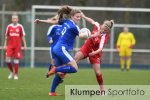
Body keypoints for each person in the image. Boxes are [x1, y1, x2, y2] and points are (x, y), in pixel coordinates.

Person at [74, 13, 114, 94]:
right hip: (86, 48)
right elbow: (92, 21)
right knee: (73, 61)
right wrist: (83, 16)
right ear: (102, 24)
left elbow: (100, 48)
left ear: (108, 29)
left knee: (98, 73)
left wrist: (93, 53)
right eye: (105, 25)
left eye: (107, 27)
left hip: (95, 53)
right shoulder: (98, 25)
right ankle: (61, 74)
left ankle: (102, 90)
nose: (105, 27)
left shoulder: (105, 36)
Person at [47, 8, 82, 96]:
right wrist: (92, 35)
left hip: (56, 49)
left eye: (80, 17)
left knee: (61, 73)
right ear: (72, 16)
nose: (79, 18)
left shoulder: (66, 21)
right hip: (61, 49)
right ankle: (54, 69)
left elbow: (53, 21)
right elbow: (82, 36)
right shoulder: (74, 27)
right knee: (74, 68)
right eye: (77, 17)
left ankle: (52, 92)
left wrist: (41, 21)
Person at [3, 14, 27, 80]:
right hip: (10, 45)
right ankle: (12, 72)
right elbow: (6, 37)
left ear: (18, 19)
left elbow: (22, 36)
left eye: (16, 18)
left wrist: (25, 45)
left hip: (17, 46)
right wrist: (5, 45)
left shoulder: (20, 26)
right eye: (13, 18)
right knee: (7, 59)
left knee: (16, 60)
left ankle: (16, 74)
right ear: (11, 19)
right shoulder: (9, 26)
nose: (14, 20)